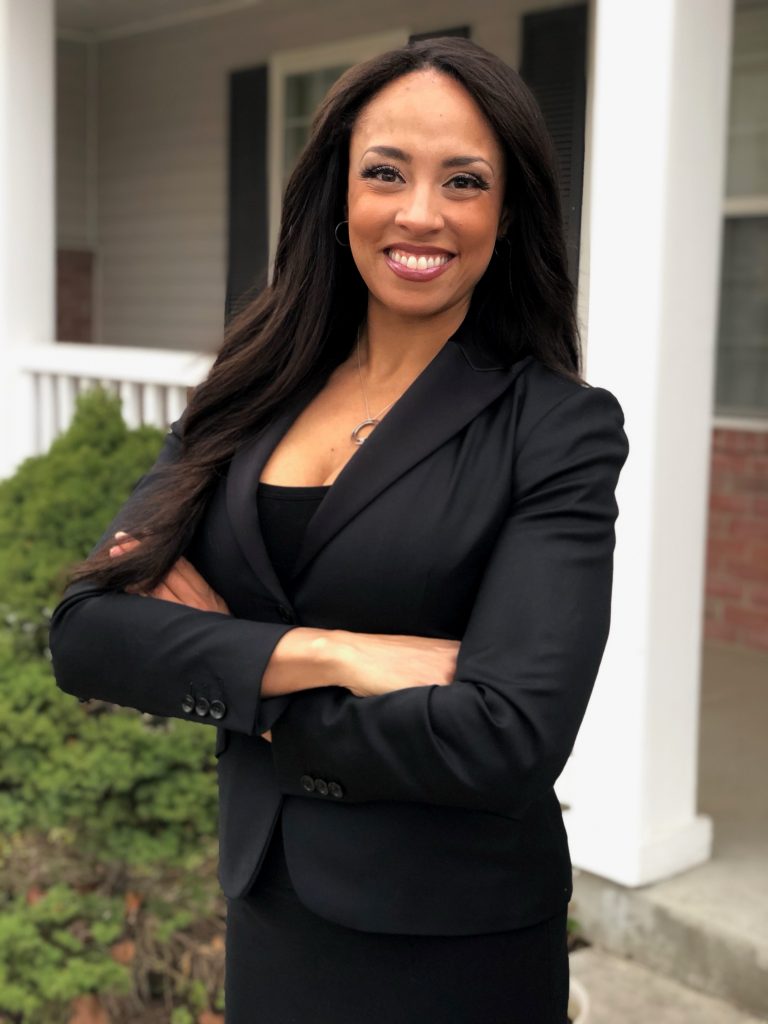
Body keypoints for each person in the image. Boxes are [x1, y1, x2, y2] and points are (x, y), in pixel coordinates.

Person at [49, 36, 629, 1024]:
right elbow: (90, 633)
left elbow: (510, 736)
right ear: (337, 197)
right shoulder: (249, 391)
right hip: (272, 906)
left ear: (508, 210)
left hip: (455, 938)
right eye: (385, 173)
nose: (419, 213)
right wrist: (340, 653)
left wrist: (248, 689)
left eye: (465, 180)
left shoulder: (557, 427)